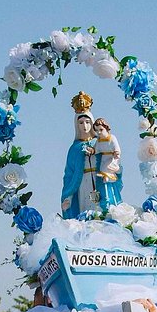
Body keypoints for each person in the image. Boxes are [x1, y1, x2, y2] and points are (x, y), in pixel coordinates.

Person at [60, 92, 96, 220]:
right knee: (85, 214)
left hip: (98, 182)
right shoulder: (74, 149)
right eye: (81, 123)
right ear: (76, 125)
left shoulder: (99, 143)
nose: (85, 126)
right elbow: (70, 175)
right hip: (82, 185)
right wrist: (68, 197)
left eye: (87, 122)